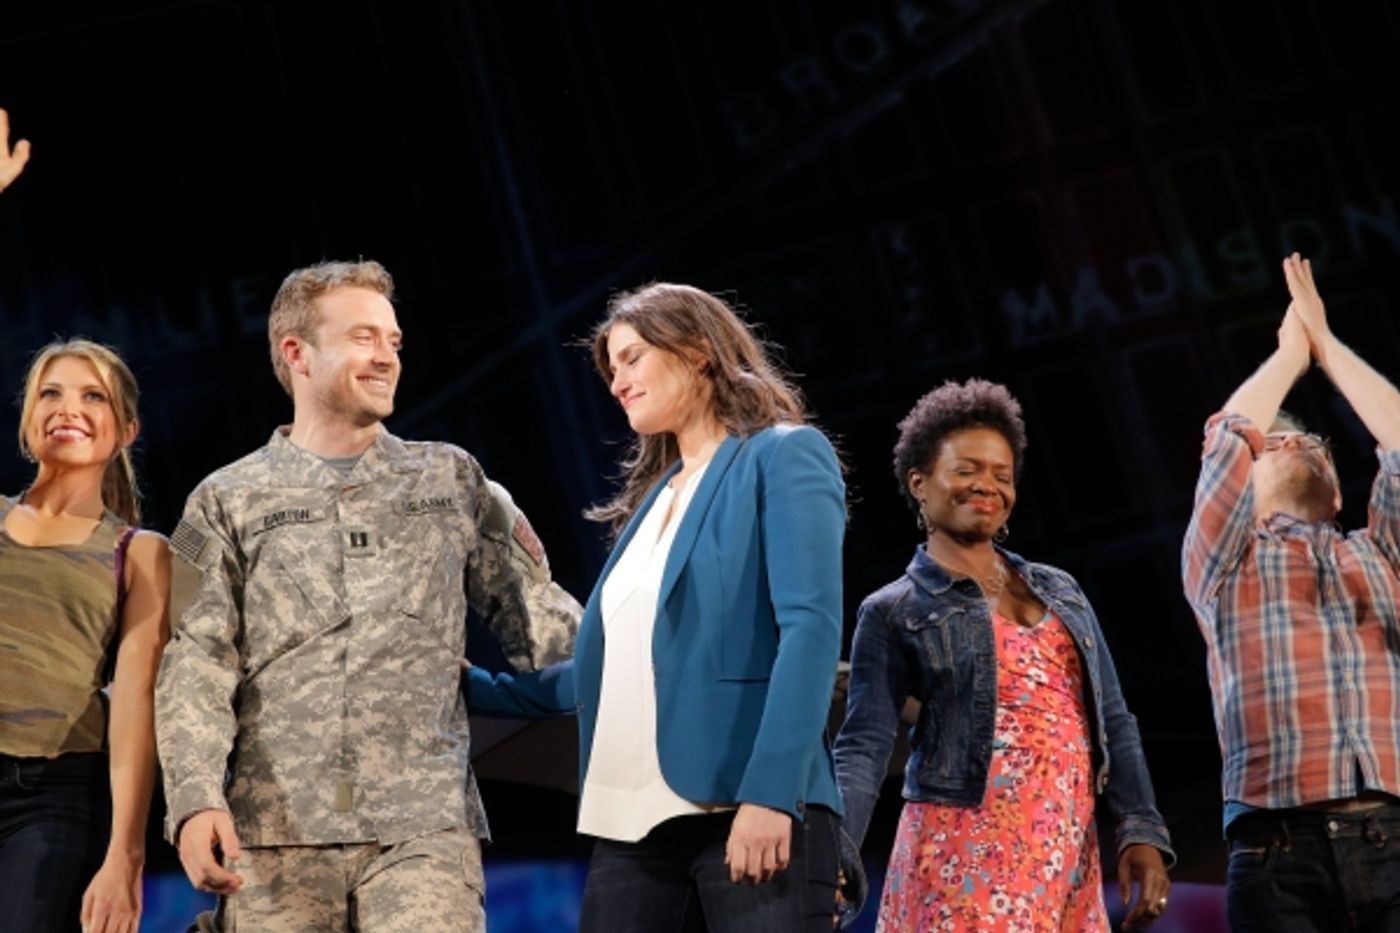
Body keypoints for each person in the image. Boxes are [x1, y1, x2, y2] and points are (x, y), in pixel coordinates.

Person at [154, 259, 581, 932]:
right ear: (296, 352)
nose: (386, 356)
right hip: (273, 838)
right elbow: (195, 663)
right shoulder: (222, 500)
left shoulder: (450, 478)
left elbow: (552, 629)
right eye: (363, 337)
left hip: (423, 832)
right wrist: (194, 798)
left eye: (394, 341)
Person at [465, 283, 846, 931]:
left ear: (698, 352)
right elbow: (612, 666)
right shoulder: (655, 503)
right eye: (611, 368)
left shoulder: (782, 455)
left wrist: (771, 793)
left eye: (633, 357)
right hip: (631, 823)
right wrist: (474, 684)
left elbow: (809, 631)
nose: (617, 381)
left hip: (741, 805)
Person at [834, 378, 1174, 932]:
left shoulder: (1060, 590)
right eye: (966, 470)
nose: (986, 486)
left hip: (1066, 852)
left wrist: (1141, 830)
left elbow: (1114, 719)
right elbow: (863, 748)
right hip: (960, 855)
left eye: (1001, 475)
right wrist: (837, 858)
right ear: (919, 484)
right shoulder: (893, 609)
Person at [1182, 253, 1400, 931]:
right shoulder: (1225, 560)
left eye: (1313, 443)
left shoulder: (1381, 553)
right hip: (1278, 857)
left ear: (1338, 490)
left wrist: (1327, 346)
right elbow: (1225, 441)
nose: (1294, 442)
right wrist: (1288, 353)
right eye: (1274, 442)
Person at [0, 339, 172, 933]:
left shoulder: (140, 552)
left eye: (91, 395)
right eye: (51, 393)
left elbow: (134, 702)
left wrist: (126, 857)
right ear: (28, 421)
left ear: (126, 428)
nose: (67, 407)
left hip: (53, 797)